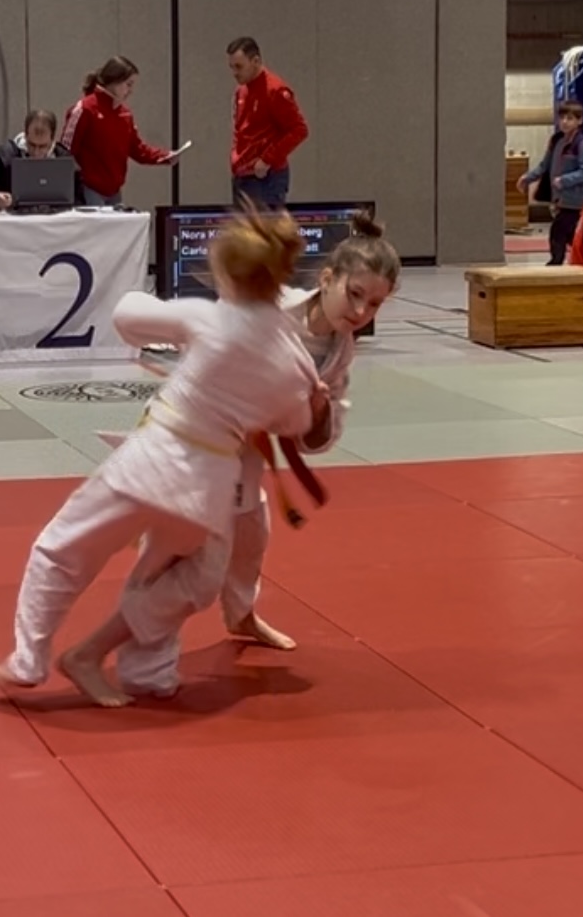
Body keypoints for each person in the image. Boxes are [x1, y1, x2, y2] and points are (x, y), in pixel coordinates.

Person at [0, 208, 323, 707]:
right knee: (166, 576)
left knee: (63, 550)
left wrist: (167, 313)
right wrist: (314, 400)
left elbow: (126, 316)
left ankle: (29, 659)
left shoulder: (210, 318)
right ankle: (149, 674)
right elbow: (296, 424)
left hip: (150, 462)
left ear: (227, 275)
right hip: (207, 491)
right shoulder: (292, 357)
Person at [106, 211, 401, 699]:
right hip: (191, 433)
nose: (360, 311)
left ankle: (240, 613)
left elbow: (317, 439)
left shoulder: (340, 351)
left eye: (374, 303)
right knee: (180, 552)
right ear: (327, 278)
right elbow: (213, 333)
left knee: (250, 534)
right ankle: (145, 659)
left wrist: (316, 411)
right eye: (354, 293)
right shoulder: (270, 305)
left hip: (241, 447)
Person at [60, 56, 180, 206]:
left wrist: (165, 156)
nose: (131, 91)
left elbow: (137, 149)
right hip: (88, 189)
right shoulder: (85, 109)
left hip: (114, 192)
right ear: (114, 81)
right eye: (128, 84)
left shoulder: (125, 114)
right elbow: (65, 152)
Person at [227, 36, 309, 209]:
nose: (234, 73)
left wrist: (267, 160)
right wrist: (235, 158)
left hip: (265, 178)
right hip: (242, 175)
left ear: (255, 61)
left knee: (264, 226)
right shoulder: (241, 90)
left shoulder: (275, 91)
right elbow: (240, 130)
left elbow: (299, 130)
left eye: (239, 67)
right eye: (232, 67)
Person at [518, 100, 583, 266]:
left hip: (574, 200)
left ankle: (556, 262)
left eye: (570, 118)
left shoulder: (581, 144)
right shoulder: (557, 141)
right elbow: (544, 165)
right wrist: (528, 178)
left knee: (558, 231)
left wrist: (564, 180)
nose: (565, 122)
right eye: (562, 118)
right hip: (559, 199)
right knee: (570, 234)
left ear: (580, 121)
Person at [0, 108, 83, 211]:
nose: (36, 152)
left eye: (42, 146)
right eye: (31, 145)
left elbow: (79, 201)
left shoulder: (66, 162)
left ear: (52, 139)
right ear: (25, 136)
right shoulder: (5, 157)